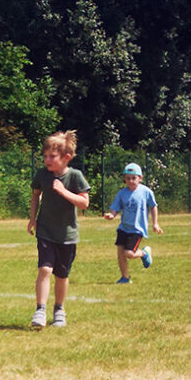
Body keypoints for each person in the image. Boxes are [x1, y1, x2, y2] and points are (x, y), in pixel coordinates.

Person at [26, 130, 90, 329]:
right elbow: (36, 194)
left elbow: (84, 203)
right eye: (45, 156)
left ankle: (59, 310)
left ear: (66, 158)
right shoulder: (42, 175)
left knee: (61, 276)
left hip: (67, 235)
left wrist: (64, 192)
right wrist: (32, 219)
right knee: (45, 269)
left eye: (52, 156)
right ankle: (40, 310)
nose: (47, 160)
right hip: (45, 231)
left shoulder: (75, 177)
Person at [104, 162, 163, 283]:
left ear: (140, 178)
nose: (131, 181)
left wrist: (155, 223)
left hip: (136, 229)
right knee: (120, 253)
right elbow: (116, 207)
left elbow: (153, 207)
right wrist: (112, 215)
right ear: (124, 179)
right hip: (123, 228)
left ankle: (144, 253)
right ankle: (125, 278)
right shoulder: (122, 193)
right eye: (128, 178)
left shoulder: (146, 192)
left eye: (134, 178)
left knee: (129, 253)